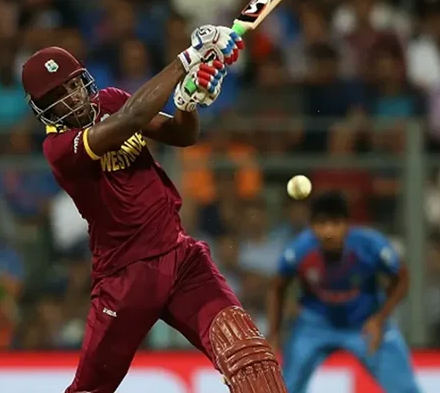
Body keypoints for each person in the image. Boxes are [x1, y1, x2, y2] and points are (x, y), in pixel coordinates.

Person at [21, 25, 286, 393]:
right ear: (44, 110)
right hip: (126, 279)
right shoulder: (60, 149)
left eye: (73, 85)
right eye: (58, 95)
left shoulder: (110, 100)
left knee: (251, 358)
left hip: (181, 258)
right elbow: (130, 120)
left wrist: (188, 102)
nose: (73, 97)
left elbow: (182, 135)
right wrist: (188, 58)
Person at [268, 191, 421, 393]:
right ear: (312, 227)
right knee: (285, 389)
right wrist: (274, 333)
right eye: (321, 224)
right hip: (315, 323)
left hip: (365, 323)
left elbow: (402, 278)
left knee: (406, 390)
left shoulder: (370, 246)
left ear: (347, 225)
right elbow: (277, 286)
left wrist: (380, 318)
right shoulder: (300, 249)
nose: (328, 231)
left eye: (335, 223)